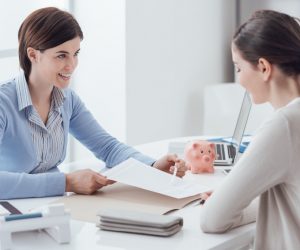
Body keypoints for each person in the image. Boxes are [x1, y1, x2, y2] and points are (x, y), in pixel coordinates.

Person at [0, 7, 186, 200]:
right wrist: (67, 182)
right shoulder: (3, 103)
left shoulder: (67, 100)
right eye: (61, 55)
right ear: (33, 55)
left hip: (52, 207)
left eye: (76, 53)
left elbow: (107, 147)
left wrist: (152, 167)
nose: (71, 65)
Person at [200, 10, 300, 249]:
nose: (239, 81)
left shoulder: (284, 126)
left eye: (238, 68)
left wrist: (229, 204)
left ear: (264, 67)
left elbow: (212, 220)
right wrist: (237, 204)